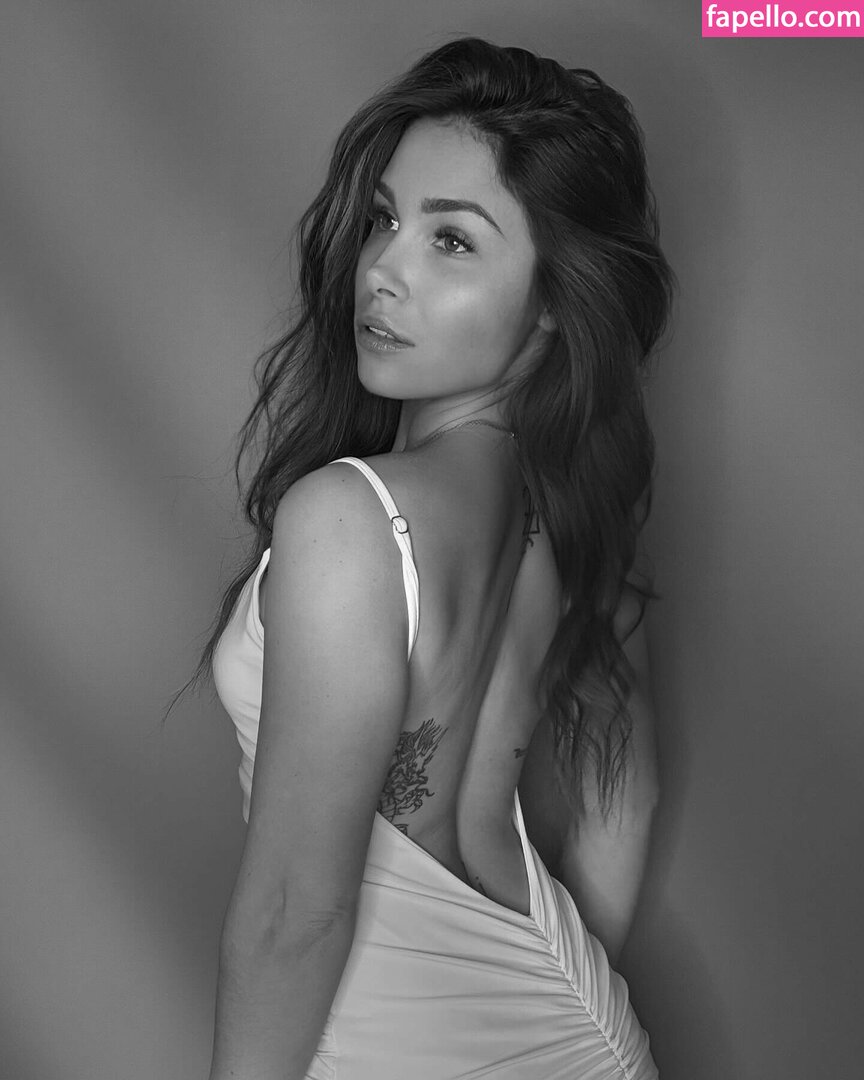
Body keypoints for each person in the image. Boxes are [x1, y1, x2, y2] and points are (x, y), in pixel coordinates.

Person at [201, 36, 675, 1080]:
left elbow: (293, 915)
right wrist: (527, 1007)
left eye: (451, 240)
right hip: (583, 1036)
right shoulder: (576, 517)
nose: (382, 270)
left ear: (554, 301)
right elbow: (623, 794)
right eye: (384, 219)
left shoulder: (350, 518)